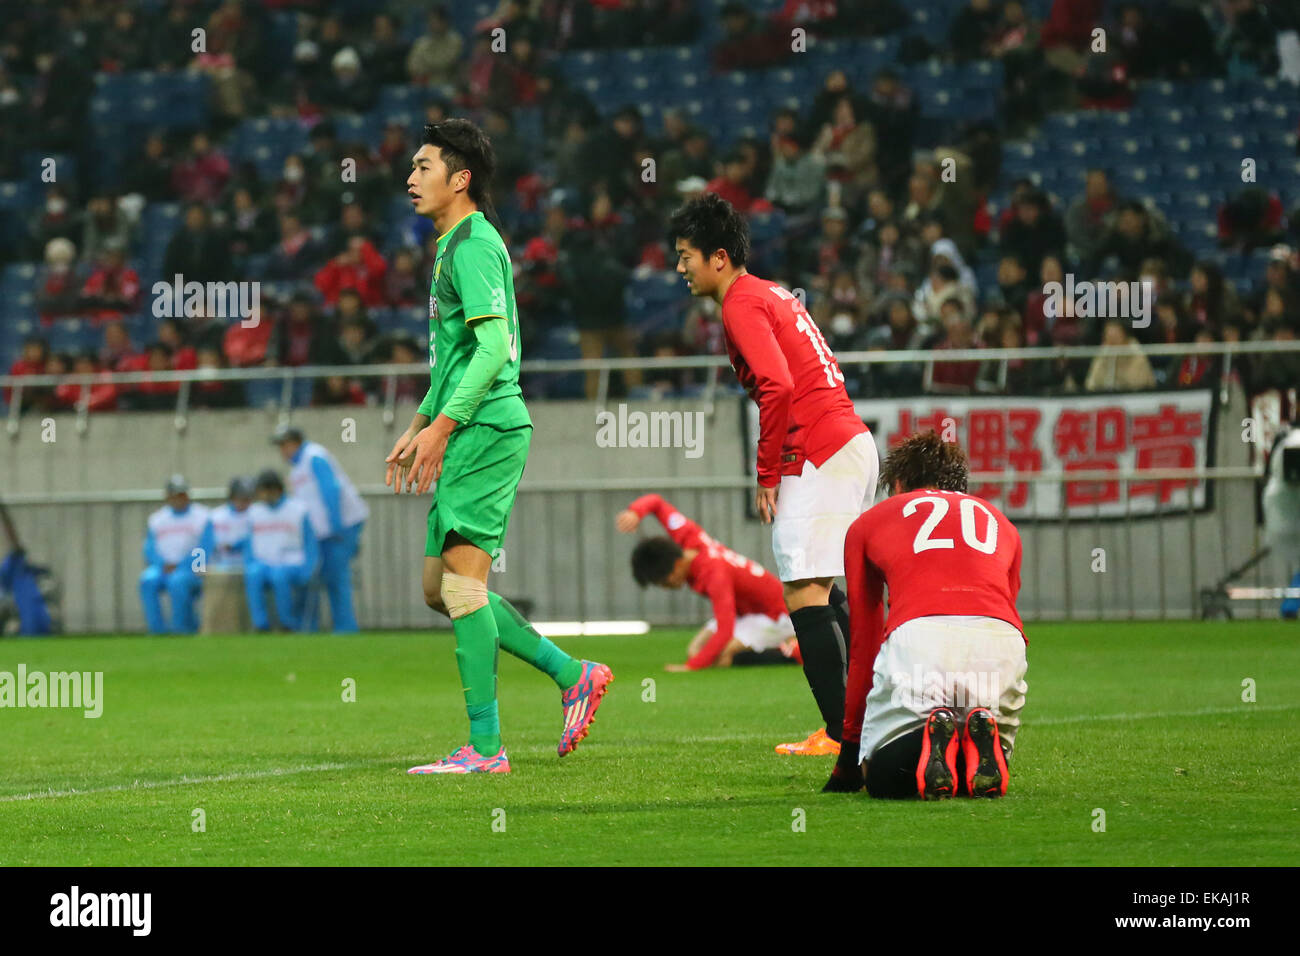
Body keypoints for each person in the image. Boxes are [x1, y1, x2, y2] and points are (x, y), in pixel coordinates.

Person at [386, 118, 612, 775]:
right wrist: (421, 420)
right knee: (440, 588)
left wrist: (446, 425)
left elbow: (492, 352)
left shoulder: (476, 243)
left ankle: (485, 749)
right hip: (465, 423)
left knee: (462, 588)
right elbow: (456, 356)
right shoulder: (451, 245)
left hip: (486, 427)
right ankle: (573, 673)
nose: (410, 178)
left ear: (460, 180)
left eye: (424, 167)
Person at [670, 192, 879, 759]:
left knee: (802, 589)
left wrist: (768, 472)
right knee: (827, 589)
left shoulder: (740, 301)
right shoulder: (771, 292)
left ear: (718, 257)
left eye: (686, 254)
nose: (680, 266)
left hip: (818, 450)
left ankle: (845, 737)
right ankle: (872, 720)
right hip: (848, 441)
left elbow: (779, 386)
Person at [832, 432, 1027, 799]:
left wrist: (849, 754)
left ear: (900, 484)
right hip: (1000, 642)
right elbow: (1007, 610)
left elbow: (865, 641)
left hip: (919, 638)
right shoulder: (1002, 522)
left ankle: (933, 738)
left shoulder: (868, 523)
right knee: (977, 770)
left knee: (881, 777)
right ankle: (975, 739)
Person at [617, 494, 799, 672]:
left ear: (677, 566)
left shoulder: (713, 574)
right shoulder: (687, 536)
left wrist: (691, 667)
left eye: (664, 582)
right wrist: (635, 512)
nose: (666, 587)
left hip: (776, 615)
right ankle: (773, 643)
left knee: (722, 657)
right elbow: (656, 502)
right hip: (746, 614)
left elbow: (725, 629)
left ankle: (791, 651)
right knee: (695, 651)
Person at [271, 424, 368, 633]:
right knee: (324, 576)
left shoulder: (314, 456)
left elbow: (330, 489)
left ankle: (346, 628)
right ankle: (321, 627)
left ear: (295, 442)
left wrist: (336, 525)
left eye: (284, 445)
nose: (282, 451)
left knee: (336, 577)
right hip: (324, 532)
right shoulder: (297, 468)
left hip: (341, 525)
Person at [245, 470, 319, 633]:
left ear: (275, 490)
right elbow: (249, 544)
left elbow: (310, 543)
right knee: (253, 574)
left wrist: (309, 569)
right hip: (263, 563)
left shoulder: (298, 510)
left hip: (292, 562)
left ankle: (287, 624)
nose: (261, 495)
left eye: (263, 491)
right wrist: (249, 562)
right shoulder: (254, 512)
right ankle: (261, 625)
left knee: (279, 575)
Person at [139, 475, 210, 635]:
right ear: (167, 496)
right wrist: (162, 564)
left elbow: (204, 547)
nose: (179, 498)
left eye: (181, 494)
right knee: (147, 580)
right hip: (163, 568)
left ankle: (182, 630)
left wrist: (182, 565)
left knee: (177, 581)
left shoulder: (202, 516)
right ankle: (157, 631)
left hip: (194, 569)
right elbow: (149, 548)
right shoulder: (157, 519)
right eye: (174, 495)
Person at [199, 476, 254, 572]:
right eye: (240, 497)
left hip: (248, 567)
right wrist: (199, 566)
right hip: (220, 566)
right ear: (232, 497)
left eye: (247, 498)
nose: (244, 502)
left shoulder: (256, 514)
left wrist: (236, 545)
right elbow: (204, 545)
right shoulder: (216, 516)